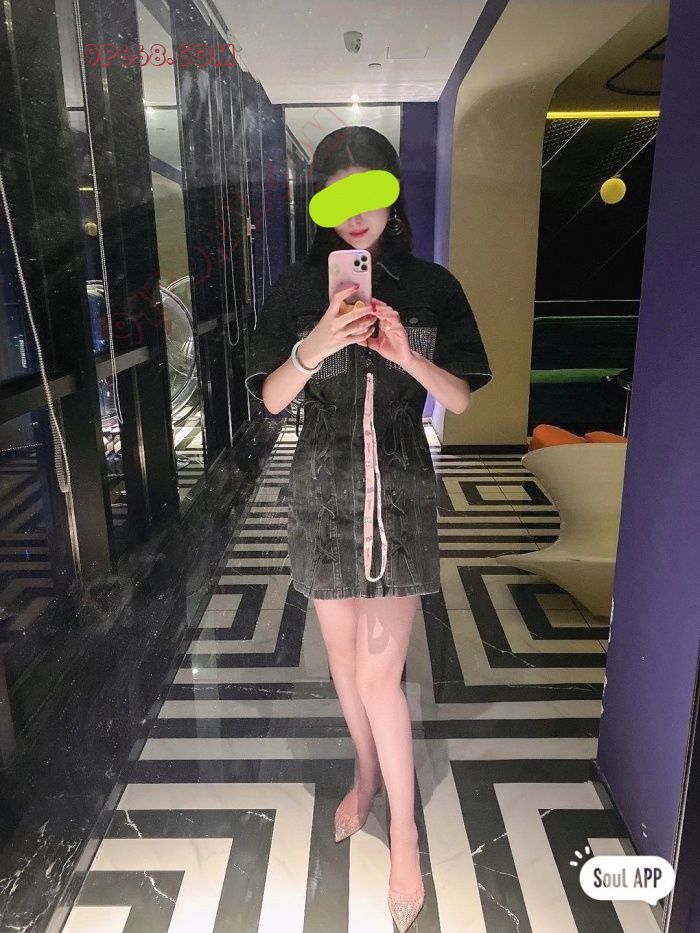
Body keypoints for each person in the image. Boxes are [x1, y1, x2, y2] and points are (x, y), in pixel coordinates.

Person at [245, 125, 492, 931]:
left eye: (370, 192)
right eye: (337, 195)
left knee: (383, 677)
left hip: (402, 493)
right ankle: (365, 771)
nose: (356, 213)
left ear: (392, 196)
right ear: (320, 203)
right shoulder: (295, 288)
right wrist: (316, 342)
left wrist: (404, 352)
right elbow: (271, 399)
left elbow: (458, 399)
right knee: (346, 666)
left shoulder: (432, 287)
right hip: (320, 490)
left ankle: (405, 834)